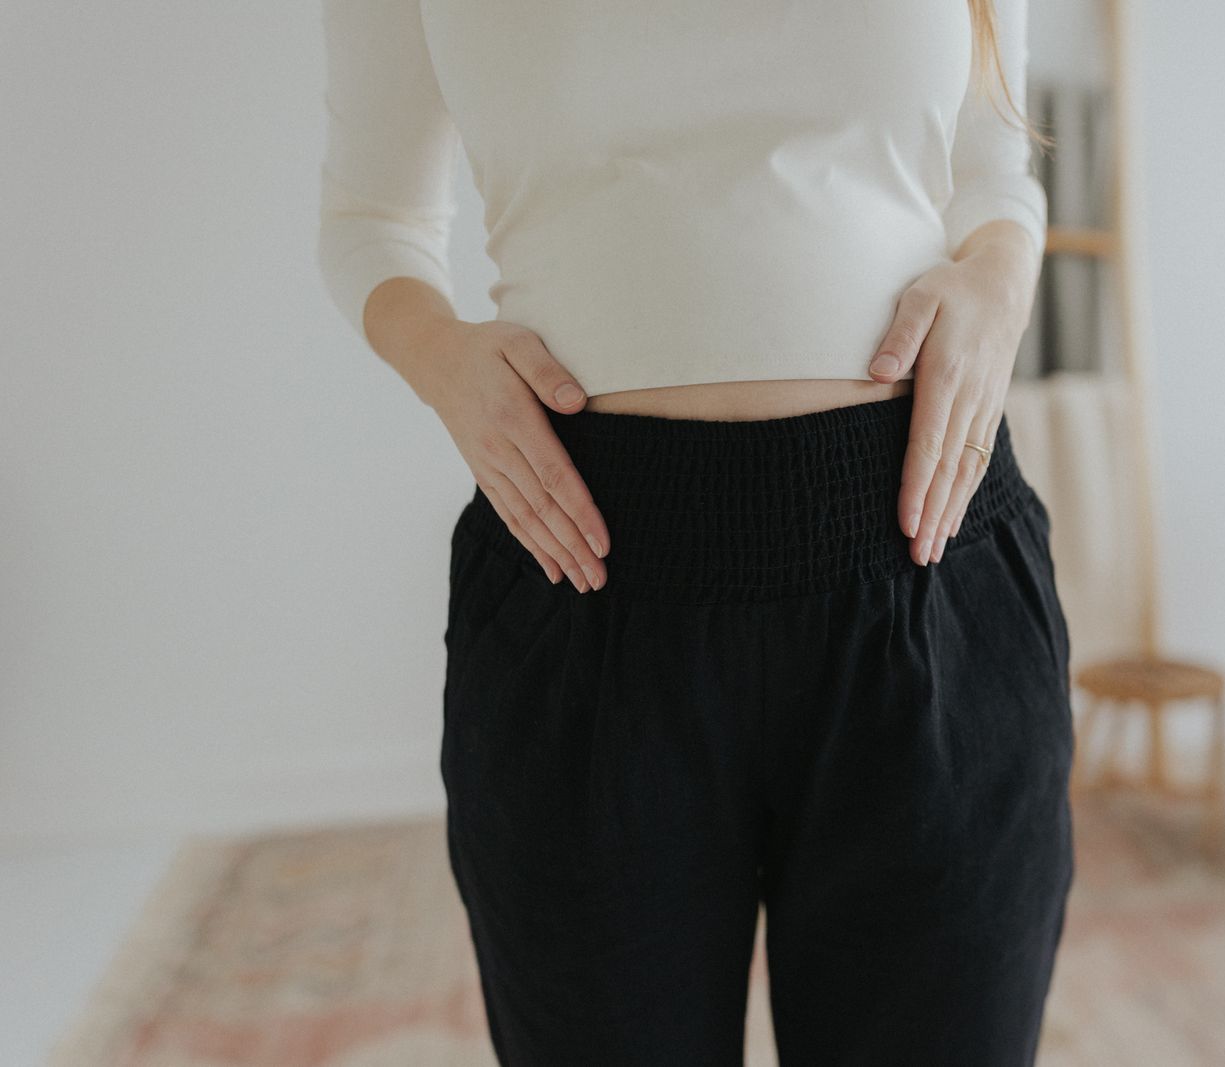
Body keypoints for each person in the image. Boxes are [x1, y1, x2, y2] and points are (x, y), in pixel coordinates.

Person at [317, 1, 1076, 1063]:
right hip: (581, 572)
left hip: (924, 555)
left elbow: (993, 171)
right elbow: (370, 219)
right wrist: (444, 360)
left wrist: (997, 285)